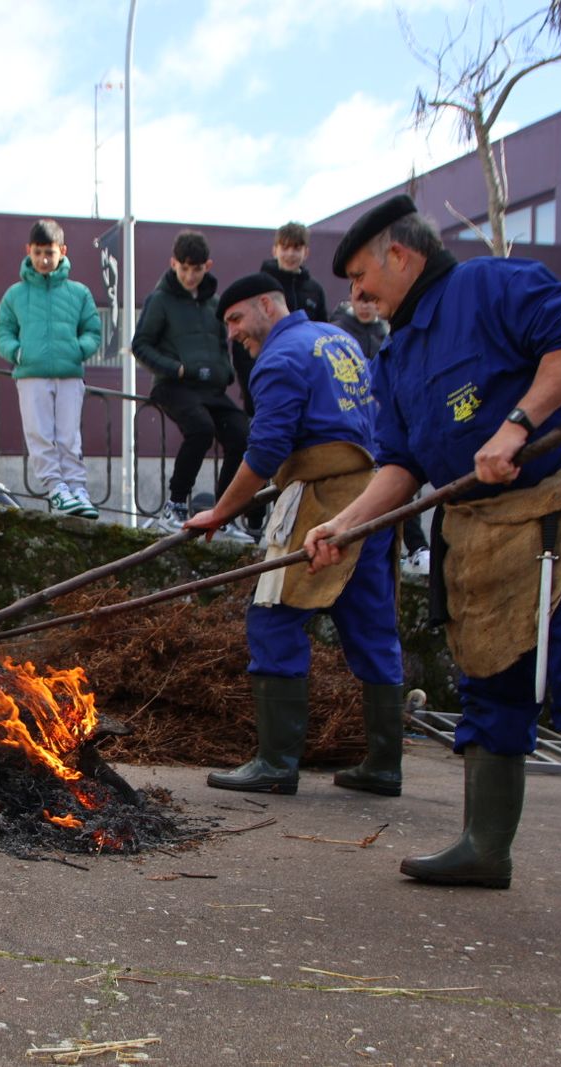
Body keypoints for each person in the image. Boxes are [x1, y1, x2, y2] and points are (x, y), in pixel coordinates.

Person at [302, 195, 561, 924]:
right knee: (490, 681)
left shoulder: (495, 286)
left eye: (362, 278)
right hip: (477, 530)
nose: (356, 297)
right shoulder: (397, 354)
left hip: (554, 506)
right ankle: (485, 846)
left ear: (401, 254)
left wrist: (517, 425)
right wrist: (346, 524)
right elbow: (400, 464)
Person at [184, 273, 406, 797]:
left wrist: (219, 511)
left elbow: (263, 453)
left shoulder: (280, 360)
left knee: (274, 619)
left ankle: (276, 762)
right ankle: (384, 766)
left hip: (324, 499)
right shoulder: (339, 340)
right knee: (371, 624)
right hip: (372, 498)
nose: (234, 333)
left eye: (236, 319)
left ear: (267, 304)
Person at [132, 230, 250, 535]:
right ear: (173, 263)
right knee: (200, 429)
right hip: (173, 384)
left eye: (196, 269)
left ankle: (224, 515)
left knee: (242, 433)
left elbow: (225, 345)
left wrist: (226, 373)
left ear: (206, 266)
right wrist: (177, 369)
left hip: (210, 388)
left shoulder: (215, 304)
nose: (189, 275)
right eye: (183, 268)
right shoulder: (160, 299)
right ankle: (175, 505)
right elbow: (140, 344)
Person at [0, 219, 104, 519]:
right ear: (28, 250)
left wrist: (77, 350)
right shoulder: (14, 295)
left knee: (69, 435)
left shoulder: (78, 293)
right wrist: (17, 353)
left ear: (62, 251)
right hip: (30, 374)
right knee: (40, 433)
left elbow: (94, 330)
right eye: (38, 252)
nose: (43, 259)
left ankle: (77, 488)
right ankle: (56, 488)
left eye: (50, 253)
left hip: (69, 375)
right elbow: (3, 331)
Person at [332, 293, 429, 573]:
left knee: (403, 481)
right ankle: (413, 545)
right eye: (360, 300)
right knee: (389, 481)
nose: (367, 306)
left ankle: (415, 546)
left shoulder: (385, 331)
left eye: (372, 301)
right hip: (360, 422)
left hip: (389, 417)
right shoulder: (341, 329)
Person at [230, 222, 330, 417]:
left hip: (306, 382)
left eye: (296, 248)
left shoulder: (315, 290)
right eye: (285, 247)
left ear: (306, 252)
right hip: (268, 379)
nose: (290, 254)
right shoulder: (257, 287)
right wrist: (252, 390)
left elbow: (322, 335)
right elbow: (242, 343)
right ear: (275, 250)